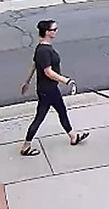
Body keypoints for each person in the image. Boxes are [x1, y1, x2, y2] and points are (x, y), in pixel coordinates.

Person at [18, 19, 89, 156]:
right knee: (40, 118)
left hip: (47, 89)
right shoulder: (44, 51)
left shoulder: (41, 47)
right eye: (54, 29)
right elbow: (48, 72)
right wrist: (66, 81)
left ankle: (73, 137)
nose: (56, 31)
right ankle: (26, 146)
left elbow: (34, 66)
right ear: (47, 32)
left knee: (61, 111)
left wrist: (26, 82)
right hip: (48, 90)